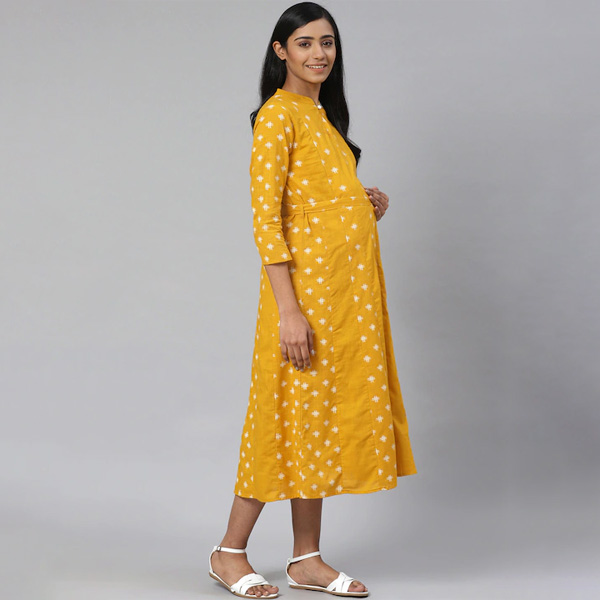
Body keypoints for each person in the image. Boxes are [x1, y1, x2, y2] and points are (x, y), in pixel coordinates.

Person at [208, 3, 417, 598]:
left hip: (344, 300)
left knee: (317, 419)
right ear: (281, 51)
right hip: (303, 299)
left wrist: (361, 203)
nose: (319, 53)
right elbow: (267, 220)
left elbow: (314, 199)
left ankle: (306, 558)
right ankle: (229, 551)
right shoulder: (278, 116)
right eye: (304, 43)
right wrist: (290, 311)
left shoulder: (321, 116)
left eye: (327, 42)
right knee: (280, 416)